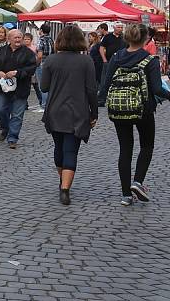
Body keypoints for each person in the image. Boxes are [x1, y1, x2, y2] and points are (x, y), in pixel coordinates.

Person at [99, 24, 170, 206]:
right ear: (146, 39)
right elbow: (156, 88)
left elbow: (105, 85)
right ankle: (137, 182)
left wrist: (95, 106)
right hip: (143, 109)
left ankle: (125, 195)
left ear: (126, 38)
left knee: (125, 149)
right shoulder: (149, 60)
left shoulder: (116, 57)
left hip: (119, 108)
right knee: (146, 146)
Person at [39, 25, 97, 206]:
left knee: (59, 147)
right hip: (77, 111)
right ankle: (65, 188)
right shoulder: (86, 61)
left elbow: (44, 87)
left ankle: (62, 180)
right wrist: (93, 113)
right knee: (71, 149)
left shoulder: (51, 61)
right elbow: (91, 90)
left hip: (55, 109)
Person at [0, 29, 37, 149]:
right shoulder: (1, 51)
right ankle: (5, 127)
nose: (17, 40)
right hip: (3, 87)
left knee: (17, 115)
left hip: (21, 88)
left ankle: (12, 138)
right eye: (15, 38)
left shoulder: (28, 53)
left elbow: (31, 68)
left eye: (19, 37)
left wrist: (17, 72)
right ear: (9, 39)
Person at [98, 23, 125, 106]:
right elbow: (101, 48)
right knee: (105, 81)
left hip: (121, 63)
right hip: (109, 61)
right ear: (114, 27)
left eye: (121, 27)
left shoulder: (124, 38)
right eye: (118, 27)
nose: (120, 29)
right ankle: (101, 100)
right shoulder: (108, 37)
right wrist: (104, 60)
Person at [34, 23, 54, 112]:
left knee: (42, 85)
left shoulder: (40, 40)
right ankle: (50, 104)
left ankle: (44, 105)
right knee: (50, 85)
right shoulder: (51, 40)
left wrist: (36, 64)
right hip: (52, 64)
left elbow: (39, 55)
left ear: (41, 31)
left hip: (42, 64)